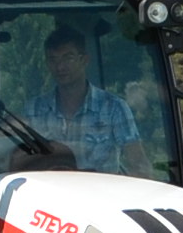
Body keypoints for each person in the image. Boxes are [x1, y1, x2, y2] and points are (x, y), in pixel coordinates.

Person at [29, 27, 142, 174]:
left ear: (84, 60)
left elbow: (138, 163)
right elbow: (24, 161)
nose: (60, 67)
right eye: (53, 59)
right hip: (48, 188)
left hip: (101, 188)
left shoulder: (113, 108)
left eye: (68, 58)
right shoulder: (34, 109)